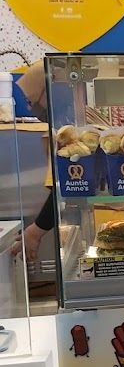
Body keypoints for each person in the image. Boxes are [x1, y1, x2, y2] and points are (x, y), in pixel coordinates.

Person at [12, 60, 54, 262]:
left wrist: (36, 231)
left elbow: (62, 188)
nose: (30, 109)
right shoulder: (60, 128)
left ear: (48, 94)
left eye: (32, 101)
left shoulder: (70, 131)